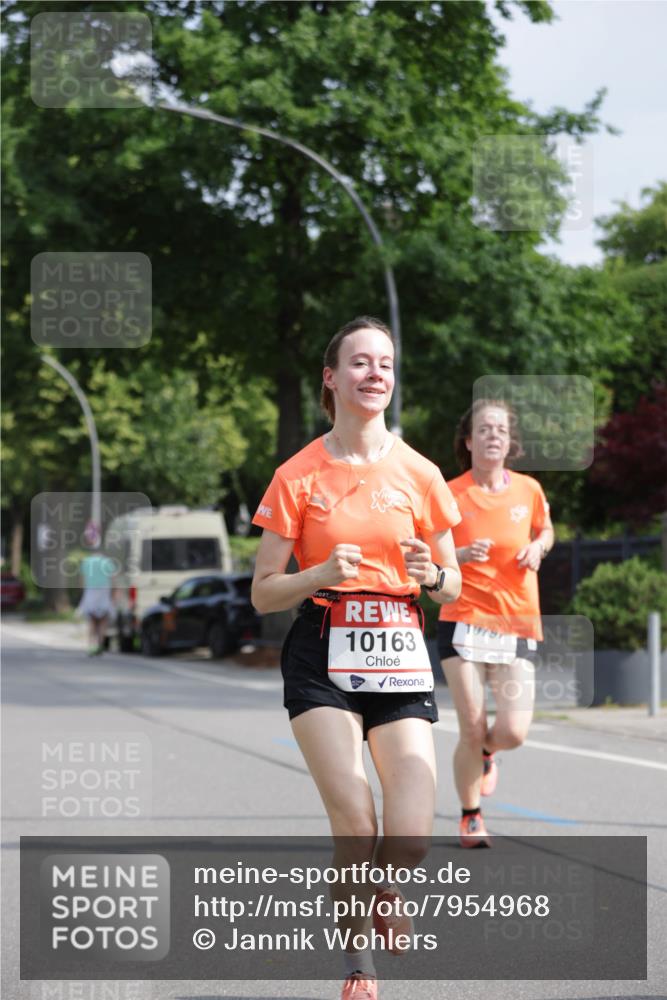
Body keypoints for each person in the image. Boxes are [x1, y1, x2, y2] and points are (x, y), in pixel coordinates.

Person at [252, 317, 462, 1000]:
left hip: (400, 647)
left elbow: (453, 585)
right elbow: (261, 592)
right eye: (360, 362)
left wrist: (429, 574)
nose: (375, 373)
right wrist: (315, 575)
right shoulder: (298, 474)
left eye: (385, 364)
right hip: (321, 646)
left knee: (406, 835)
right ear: (331, 377)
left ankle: (389, 881)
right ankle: (357, 969)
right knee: (355, 822)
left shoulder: (420, 473)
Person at [438, 399, 554, 848]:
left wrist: (539, 548)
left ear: (510, 442)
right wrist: (459, 557)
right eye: (484, 429)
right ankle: (470, 815)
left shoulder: (529, 490)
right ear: (469, 441)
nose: (493, 436)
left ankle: (488, 753)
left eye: (500, 430)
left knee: (513, 730)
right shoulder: (450, 494)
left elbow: (546, 529)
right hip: (463, 619)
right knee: (470, 724)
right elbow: (429, 553)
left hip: (517, 621)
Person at [76, 548, 117, 655]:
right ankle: (100, 645)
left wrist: (83, 594)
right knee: (103, 620)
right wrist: (112, 596)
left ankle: (91, 646)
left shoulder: (86, 562)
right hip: (104, 591)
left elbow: (82, 580)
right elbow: (113, 580)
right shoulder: (107, 562)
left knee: (91, 621)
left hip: (91, 592)